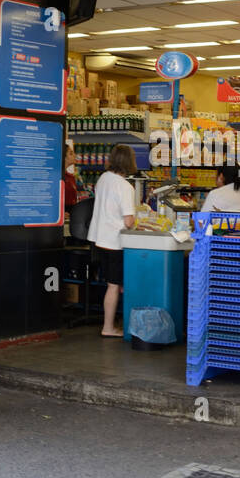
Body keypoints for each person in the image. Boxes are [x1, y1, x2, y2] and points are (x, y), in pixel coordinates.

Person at [86, 144, 137, 338]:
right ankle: (108, 327)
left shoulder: (103, 179)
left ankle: (115, 322)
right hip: (115, 241)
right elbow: (128, 221)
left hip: (98, 239)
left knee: (113, 283)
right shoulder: (125, 186)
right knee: (115, 285)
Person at [63, 141, 80, 210]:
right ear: (63, 157)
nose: (75, 155)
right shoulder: (56, 178)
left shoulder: (70, 177)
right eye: (71, 153)